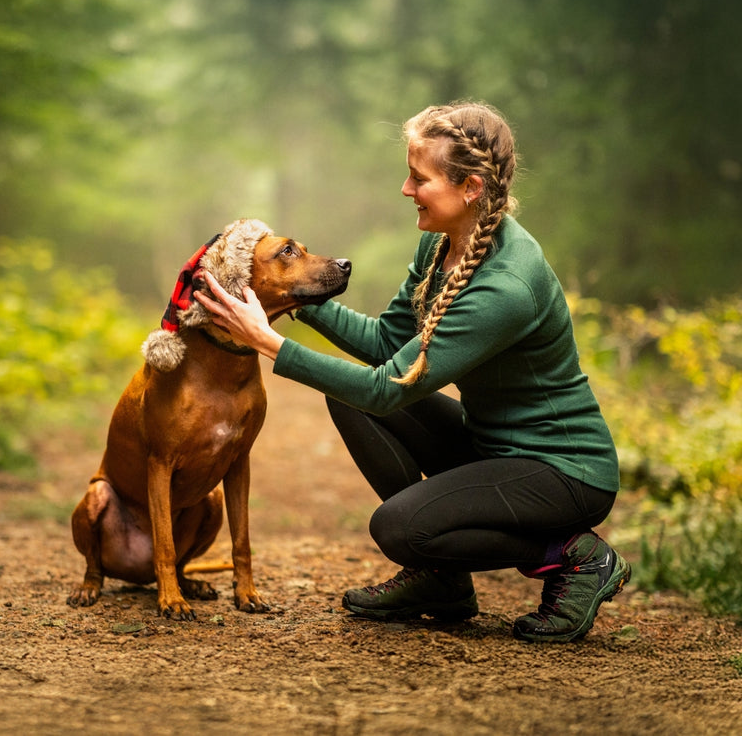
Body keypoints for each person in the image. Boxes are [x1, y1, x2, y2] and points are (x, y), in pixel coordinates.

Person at [193, 101, 629, 643]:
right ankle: (443, 581)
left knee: (398, 528)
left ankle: (574, 555)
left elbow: (387, 389)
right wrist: (289, 290)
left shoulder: (505, 287)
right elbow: (384, 343)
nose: (405, 189)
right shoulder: (441, 241)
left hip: (562, 470)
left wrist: (269, 342)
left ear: (470, 186)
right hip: (493, 445)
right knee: (344, 396)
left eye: (418, 178)